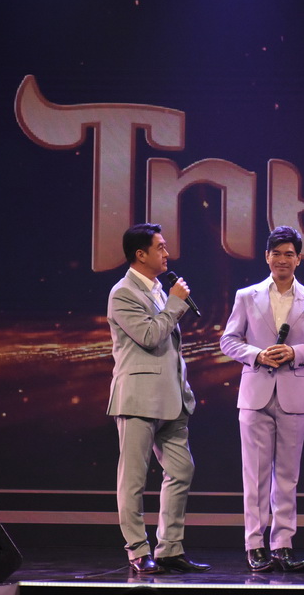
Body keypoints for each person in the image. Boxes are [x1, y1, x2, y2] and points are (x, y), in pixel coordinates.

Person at [220, 226, 304, 573]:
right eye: (277, 253)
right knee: (254, 475)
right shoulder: (246, 296)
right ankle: (254, 544)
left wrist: (294, 352)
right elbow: (229, 340)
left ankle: (282, 544)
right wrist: (257, 355)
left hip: (294, 395)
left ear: (299, 259)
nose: (282, 259)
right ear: (267, 257)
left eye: (289, 254)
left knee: (287, 475)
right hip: (255, 393)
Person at [106, 223, 210, 574]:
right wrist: (176, 304)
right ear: (141, 254)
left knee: (182, 470)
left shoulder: (158, 291)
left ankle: (170, 548)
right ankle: (138, 550)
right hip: (138, 399)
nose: (167, 253)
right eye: (160, 247)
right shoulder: (123, 293)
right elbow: (149, 336)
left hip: (172, 399)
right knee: (134, 479)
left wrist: (172, 303)